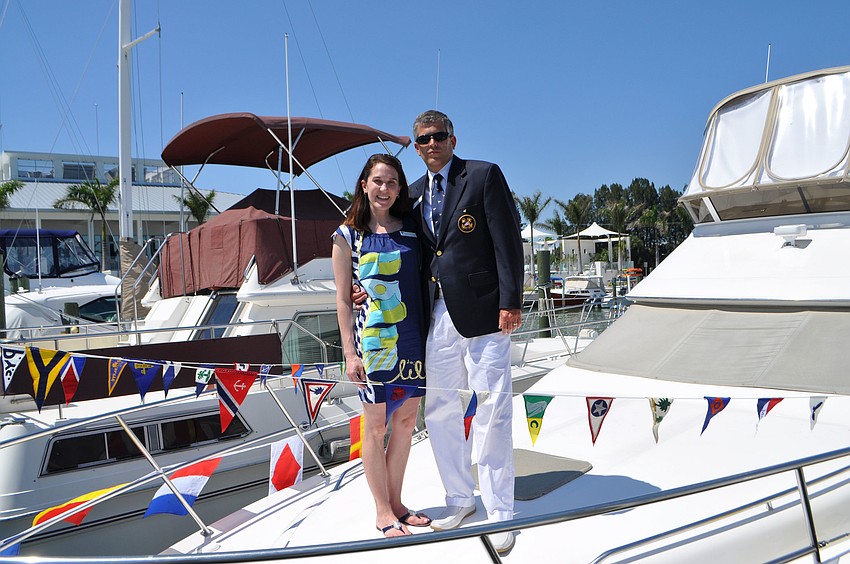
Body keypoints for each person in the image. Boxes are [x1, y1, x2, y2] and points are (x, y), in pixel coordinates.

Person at [410, 110, 524, 554]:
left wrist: (511, 300)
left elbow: (507, 238)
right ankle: (459, 498)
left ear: (453, 140)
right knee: (439, 409)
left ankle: (500, 513)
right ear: (415, 145)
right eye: (424, 139)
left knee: (493, 410)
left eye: (439, 137)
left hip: (484, 313)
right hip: (436, 316)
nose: (432, 144)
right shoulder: (415, 194)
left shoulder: (483, 176)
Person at [332, 153, 431, 538]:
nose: (385, 188)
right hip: (373, 343)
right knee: (375, 428)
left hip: (412, 339)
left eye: (392, 182)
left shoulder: (412, 230)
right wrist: (349, 353)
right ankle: (381, 511)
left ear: (400, 188)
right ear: (364, 184)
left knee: (406, 423)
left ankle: (398, 504)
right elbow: (342, 299)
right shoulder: (347, 235)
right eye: (378, 181)